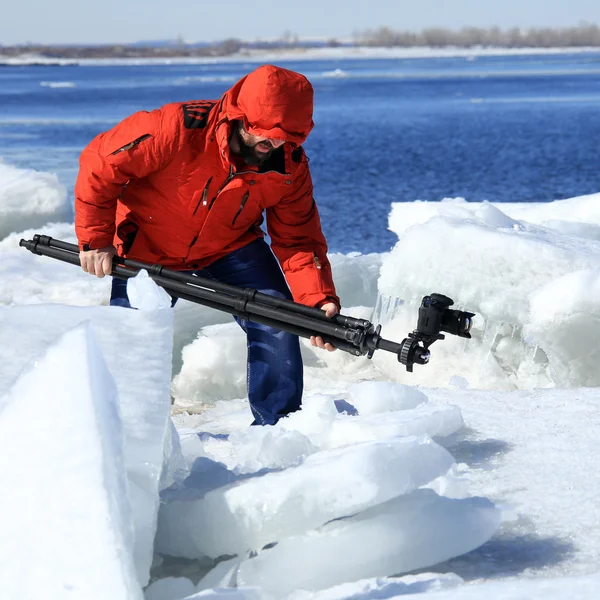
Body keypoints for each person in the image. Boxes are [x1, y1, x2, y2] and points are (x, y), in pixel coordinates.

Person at [74, 64, 340, 425]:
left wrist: (316, 300)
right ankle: (126, 432)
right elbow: (100, 164)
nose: (275, 144)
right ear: (239, 115)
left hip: (229, 246)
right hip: (148, 244)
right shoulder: (174, 128)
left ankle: (278, 428)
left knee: (279, 317)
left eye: (288, 137)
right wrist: (95, 239)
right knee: (132, 339)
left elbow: (299, 239)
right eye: (266, 134)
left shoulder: (290, 165)